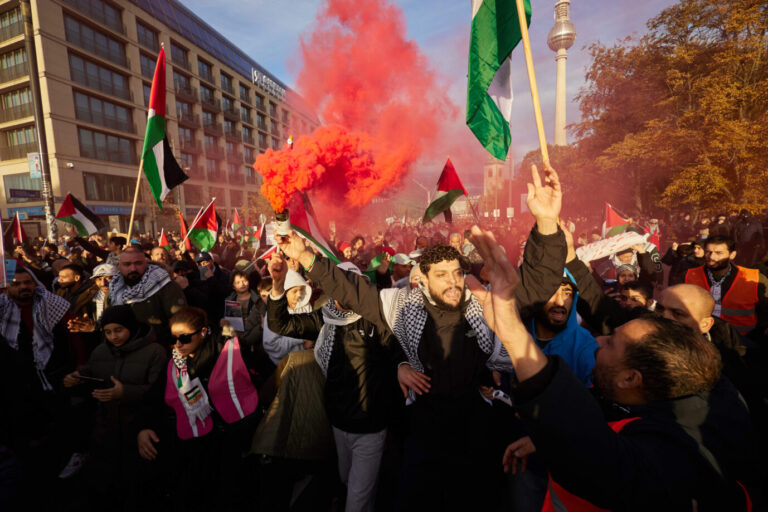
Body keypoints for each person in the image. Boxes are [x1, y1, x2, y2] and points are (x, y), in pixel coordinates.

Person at [276, 164, 567, 511]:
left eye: (458, 273)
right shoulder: (402, 306)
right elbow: (352, 291)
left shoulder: (486, 307)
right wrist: (307, 256)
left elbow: (538, 287)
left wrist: (548, 224)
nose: (454, 282)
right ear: (423, 280)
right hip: (423, 432)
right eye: (442, 275)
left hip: (474, 430)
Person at [467, 224, 757, 510]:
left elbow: (591, 447)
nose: (599, 339)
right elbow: (601, 311)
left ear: (631, 379)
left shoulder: (671, 455)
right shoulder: (663, 393)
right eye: (662, 309)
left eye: (611, 343)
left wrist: (510, 330)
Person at [267, 255, 398, 511]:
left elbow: (401, 349)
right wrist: (278, 284)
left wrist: (402, 366)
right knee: (347, 483)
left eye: (347, 288)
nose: (342, 296)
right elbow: (279, 323)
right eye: (336, 289)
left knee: (356, 501)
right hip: (338, 422)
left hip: (370, 427)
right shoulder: (325, 318)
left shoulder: (378, 321)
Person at [137, 307, 260, 511]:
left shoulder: (232, 351)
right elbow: (153, 397)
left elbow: (262, 379)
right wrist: (143, 428)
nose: (178, 344)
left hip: (232, 441)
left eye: (185, 338)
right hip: (194, 445)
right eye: (173, 337)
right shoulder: (175, 362)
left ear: (203, 332)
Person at [62, 305, 166, 509]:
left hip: (138, 427)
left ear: (131, 327)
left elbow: (160, 391)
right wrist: (76, 378)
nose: (113, 337)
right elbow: (91, 370)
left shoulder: (155, 352)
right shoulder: (101, 350)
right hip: (105, 428)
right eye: (108, 332)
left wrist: (124, 392)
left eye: (118, 330)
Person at [0, 268, 74, 508]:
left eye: (27, 283)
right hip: (12, 384)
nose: (24, 288)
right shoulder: (2, 308)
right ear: (6, 287)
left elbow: (71, 340)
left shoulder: (51, 306)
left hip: (49, 378)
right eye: (17, 284)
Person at [685, 235, 768, 338]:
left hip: (743, 343)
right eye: (708, 252)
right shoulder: (688, 275)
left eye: (719, 253)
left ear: (732, 255)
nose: (711, 257)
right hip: (700, 339)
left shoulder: (755, 279)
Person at [108, 248, 187, 344]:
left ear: (146, 263)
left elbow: (180, 318)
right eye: (127, 264)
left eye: (138, 263)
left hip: (157, 345)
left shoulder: (164, 284)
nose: (133, 268)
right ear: (119, 266)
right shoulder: (115, 287)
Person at [262, 268, 314, 365]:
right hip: (285, 365)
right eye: (294, 291)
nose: (299, 295)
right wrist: (300, 339)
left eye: (301, 290)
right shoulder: (274, 313)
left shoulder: (305, 307)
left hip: (306, 360)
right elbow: (271, 345)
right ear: (284, 292)